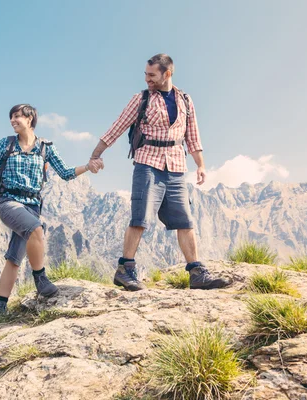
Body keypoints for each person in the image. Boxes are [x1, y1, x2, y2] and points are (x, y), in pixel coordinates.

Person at [88, 53, 230, 291]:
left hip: (176, 166)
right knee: (140, 218)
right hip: (147, 163)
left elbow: (192, 135)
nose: (147, 79)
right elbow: (117, 126)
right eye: (145, 74)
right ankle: (125, 270)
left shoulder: (185, 100)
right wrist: (96, 154)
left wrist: (201, 165)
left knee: (185, 220)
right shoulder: (141, 99)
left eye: (152, 75)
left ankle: (196, 273)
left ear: (167, 73)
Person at [0, 104, 95, 315]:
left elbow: (65, 173)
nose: (13, 121)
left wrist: (88, 166)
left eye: (17, 116)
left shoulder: (46, 148)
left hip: (32, 205)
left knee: (14, 258)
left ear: (30, 119)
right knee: (36, 230)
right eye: (11, 117)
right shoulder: (6, 144)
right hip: (8, 201)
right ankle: (40, 279)